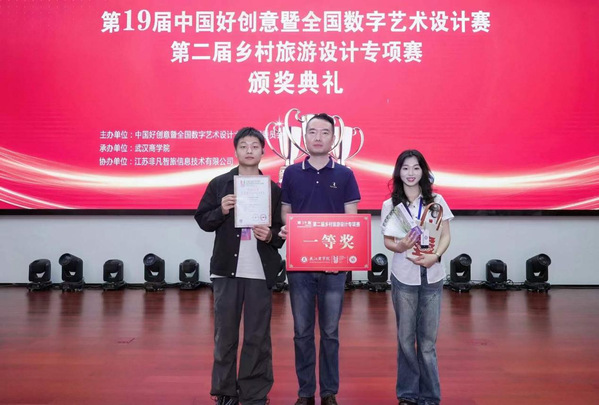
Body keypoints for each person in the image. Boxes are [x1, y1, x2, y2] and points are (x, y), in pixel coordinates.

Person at [195, 127, 284, 405]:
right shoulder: (220, 184)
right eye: (243, 146)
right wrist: (221, 210)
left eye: (254, 146)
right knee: (225, 334)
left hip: (259, 270)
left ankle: (254, 393)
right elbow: (203, 220)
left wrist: (269, 235)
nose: (249, 151)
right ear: (235, 151)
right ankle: (225, 392)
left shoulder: (273, 189)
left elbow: (281, 231)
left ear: (262, 152)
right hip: (226, 270)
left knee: (257, 336)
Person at [279, 113, 361, 405]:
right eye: (312, 131)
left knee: (330, 332)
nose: (317, 137)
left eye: (324, 132)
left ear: (333, 138)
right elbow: (285, 212)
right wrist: (289, 228)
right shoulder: (291, 173)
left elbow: (351, 219)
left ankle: (328, 392)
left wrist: (341, 254)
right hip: (299, 266)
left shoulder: (345, 175)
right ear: (304, 137)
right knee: (301, 332)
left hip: (334, 267)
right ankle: (305, 393)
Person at [380, 150, 453, 405]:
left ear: (423, 171)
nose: (410, 173)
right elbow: (388, 241)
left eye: (416, 168)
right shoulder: (391, 205)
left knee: (427, 342)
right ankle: (408, 395)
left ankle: (430, 397)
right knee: (405, 339)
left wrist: (436, 256)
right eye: (405, 168)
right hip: (404, 277)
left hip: (432, 276)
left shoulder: (437, 201)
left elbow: (446, 235)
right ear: (398, 172)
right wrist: (399, 246)